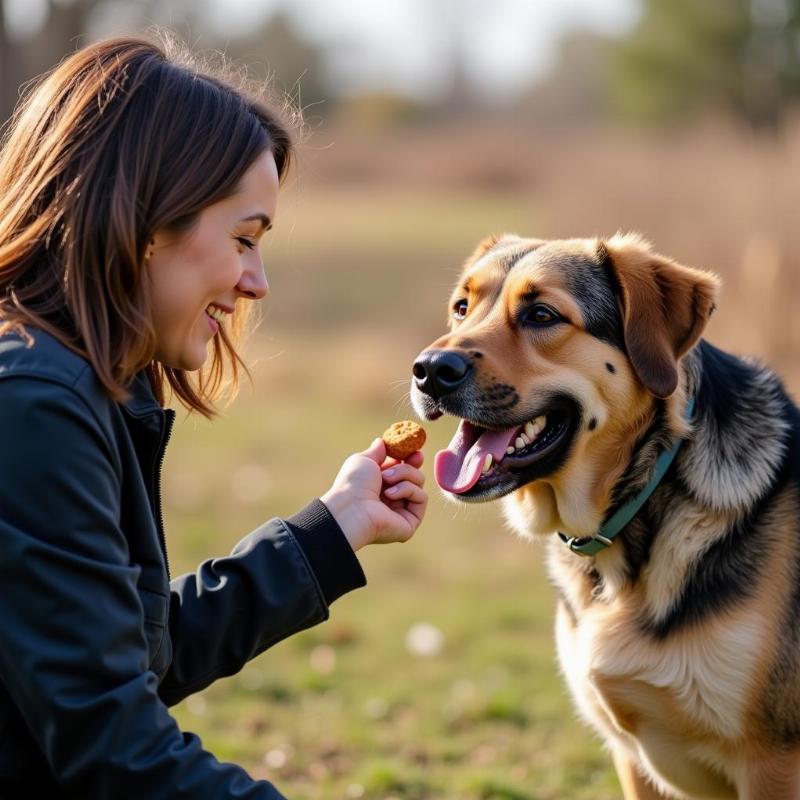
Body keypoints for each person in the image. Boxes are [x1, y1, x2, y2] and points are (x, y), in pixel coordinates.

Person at [0, 35, 427, 799]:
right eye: (243, 239)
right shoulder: (32, 405)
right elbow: (112, 747)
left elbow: (124, 662)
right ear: (149, 220)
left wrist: (332, 530)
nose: (256, 282)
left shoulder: (79, 387)